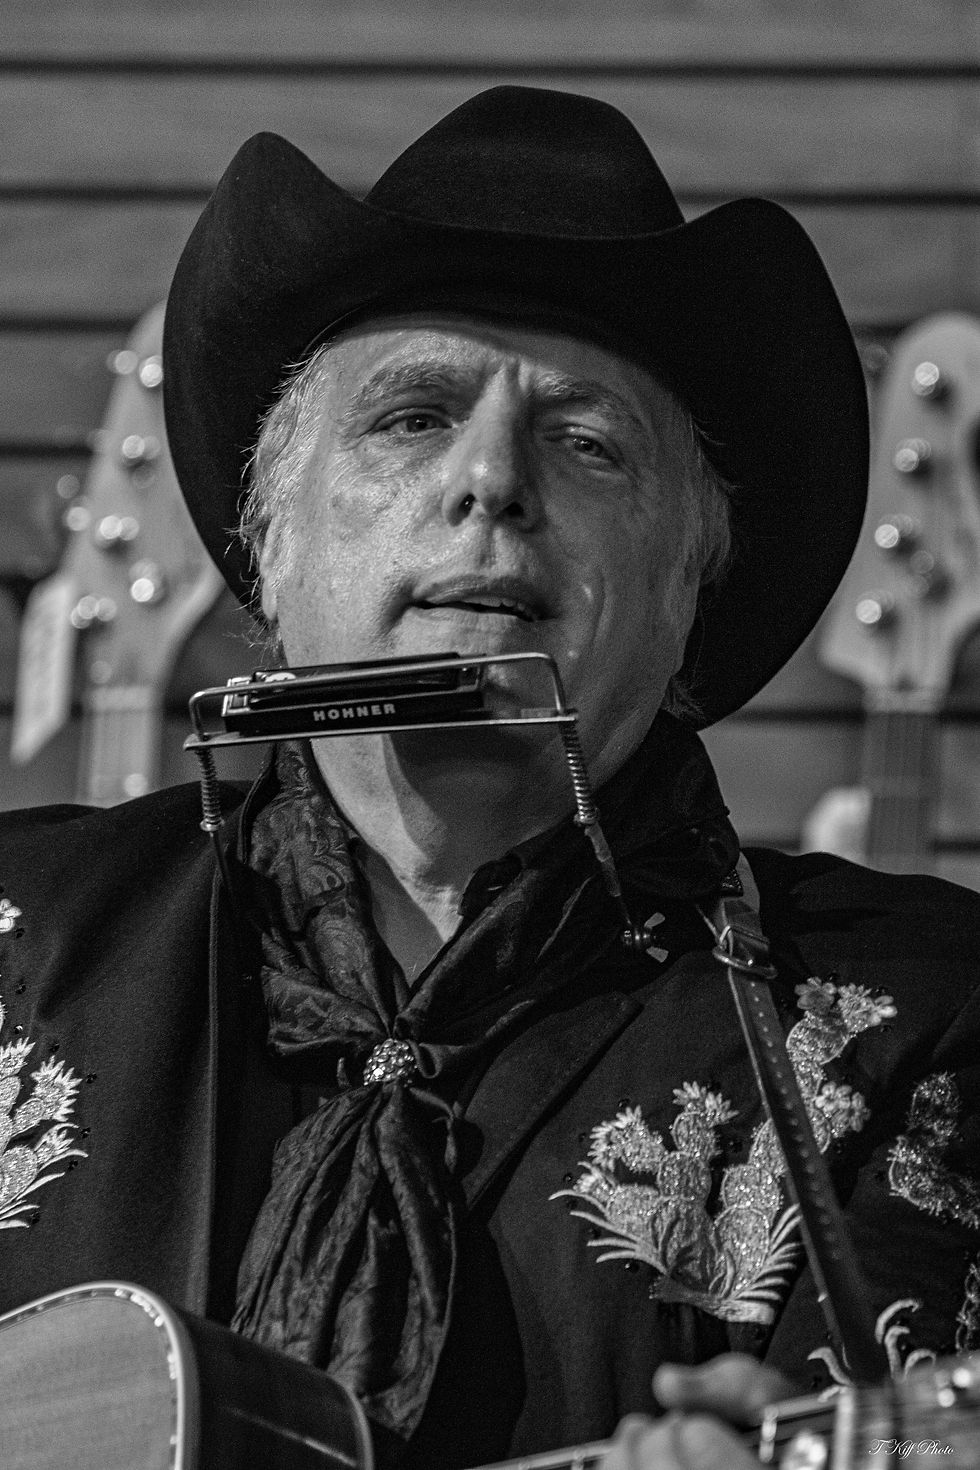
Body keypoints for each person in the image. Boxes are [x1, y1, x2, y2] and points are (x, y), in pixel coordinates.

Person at [1, 85, 979, 1470]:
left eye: (587, 442)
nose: (492, 481)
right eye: (411, 415)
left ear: (692, 579)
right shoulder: (16, 935)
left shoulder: (920, 1018)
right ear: (273, 542)